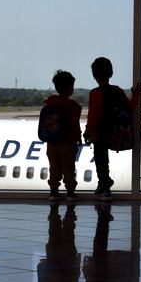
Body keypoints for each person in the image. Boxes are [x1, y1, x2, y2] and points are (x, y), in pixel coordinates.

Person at [83, 57, 141, 200]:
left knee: (101, 159)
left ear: (94, 75)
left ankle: (105, 186)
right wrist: (135, 95)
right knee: (103, 160)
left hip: (100, 132)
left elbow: (92, 116)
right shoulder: (118, 91)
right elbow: (129, 108)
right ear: (111, 73)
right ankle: (103, 183)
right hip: (116, 131)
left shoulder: (95, 93)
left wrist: (87, 131)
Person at [37, 204, 81, 282]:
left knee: (68, 235)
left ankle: (69, 213)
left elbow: (75, 274)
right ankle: (55, 213)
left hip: (68, 259)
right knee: (54, 234)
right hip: (53, 258)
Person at [42, 70, 82, 201]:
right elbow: (75, 125)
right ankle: (70, 193)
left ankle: (54, 192)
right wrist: (78, 138)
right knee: (69, 168)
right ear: (70, 88)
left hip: (52, 143)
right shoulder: (73, 106)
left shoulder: (49, 103)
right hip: (67, 143)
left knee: (54, 168)